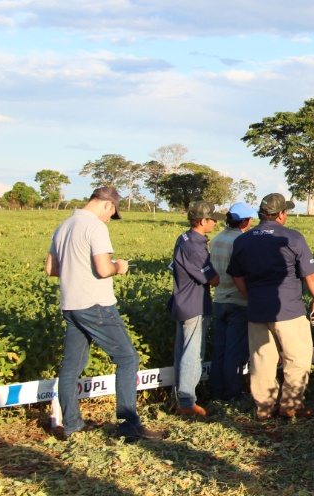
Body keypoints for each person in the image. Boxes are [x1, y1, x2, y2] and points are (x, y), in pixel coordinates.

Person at [45, 187, 166, 441]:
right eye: (112, 213)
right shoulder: (96, 227)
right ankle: (129, 425)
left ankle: (72, 425)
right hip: (96, 304)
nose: (110, 219)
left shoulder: (64, 225)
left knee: (72, 367)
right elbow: (102, 269)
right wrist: (118, 267)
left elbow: (51, 269)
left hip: (71, 304)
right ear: (108, 206)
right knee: (127, 359)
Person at [228, 193, 314, 420]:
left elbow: (237, 275)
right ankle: (291, 405)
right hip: (289, 309)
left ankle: (264, 408)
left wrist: (249, 296)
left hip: (257, 309)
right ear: (281, 214)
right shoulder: (292, 237)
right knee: (298, 358)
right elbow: (310, 274)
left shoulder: (243, 239)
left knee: (262, 359)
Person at [170, 201, 225, 417]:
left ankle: (178, 398)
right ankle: (187, 402)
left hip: (182, 302)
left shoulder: (184, 238)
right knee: (193, 354)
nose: (214, 223)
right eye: (212, 219)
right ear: (202, 221)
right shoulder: (195, 248)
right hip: (194, 304)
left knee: (182, 351)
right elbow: (213, 280)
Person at [208, 202, 257, 403]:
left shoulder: (217, 238)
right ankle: (232, 394)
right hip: (238, 301)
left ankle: (216, 390)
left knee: (219, 349)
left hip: (219, 300)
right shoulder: (243, 241)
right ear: (244, 221)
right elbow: (244, 272)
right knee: (234, 352)